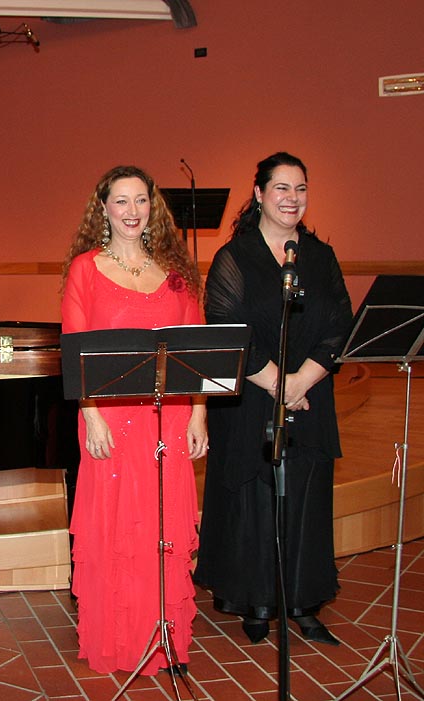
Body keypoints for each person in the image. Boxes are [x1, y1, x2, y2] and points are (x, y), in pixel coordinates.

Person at [193, 152, 353, 646]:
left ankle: (302, 601)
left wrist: (302, 382)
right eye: (281, 188)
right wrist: (280, 385)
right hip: (253, 399)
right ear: (259, 194)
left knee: (305, 498)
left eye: (300, 189)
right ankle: (257, 601)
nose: (292, 198)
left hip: (310, 395)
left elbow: (340, 323)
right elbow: (226, 326)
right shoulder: (235, 257)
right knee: (255, 500)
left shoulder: (320, 256)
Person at [61, 165, 207, 675]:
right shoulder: (85, 269)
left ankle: (162, 637)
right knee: (116, 528)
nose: (132, 211)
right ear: (103, 208)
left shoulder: (176, 272)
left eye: (140, 200)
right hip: (108, 417)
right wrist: (92, 417)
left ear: (153, 206)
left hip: (170, 416)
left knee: (163, 525)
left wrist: (199, 413)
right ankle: (119, 640)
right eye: (121, 201)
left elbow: (198, 349)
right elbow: (76, 350)